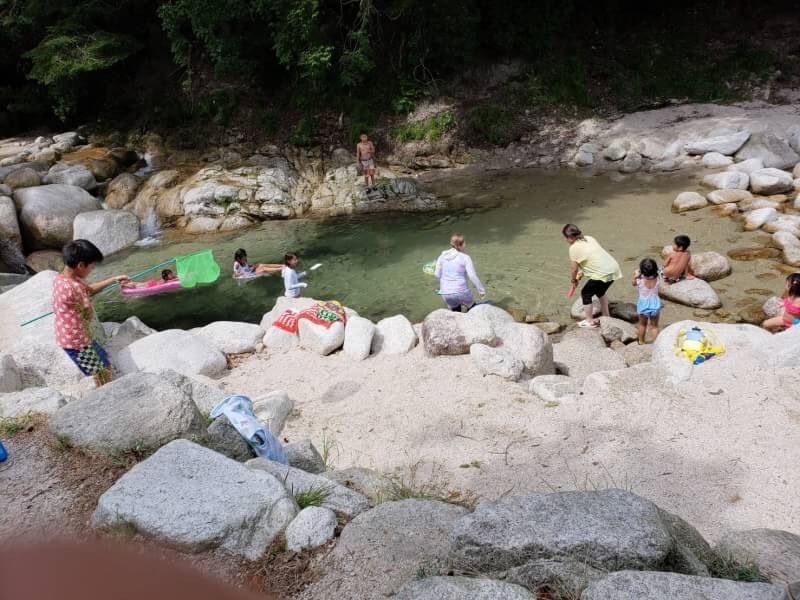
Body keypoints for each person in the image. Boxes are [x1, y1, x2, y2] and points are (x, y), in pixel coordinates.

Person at [53, 240, 129, 387]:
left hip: (70, 335)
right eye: (92, 266)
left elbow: (90, 289)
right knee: (101, 371)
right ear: (81, 265)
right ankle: (104, 392)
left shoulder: (62, 278)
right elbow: (88, 313)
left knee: (103, 362)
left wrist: (113, 279)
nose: (92, 269)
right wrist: (86, 303)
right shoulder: (75, 288)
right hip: (77, 342)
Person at [563, 224, 622, 329]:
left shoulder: (573, 248)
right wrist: (581, 273)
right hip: (613, 268)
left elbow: (574, 269)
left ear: (569, 237)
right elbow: (593, 258)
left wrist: (573, 280)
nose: (566, 240)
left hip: (602, 272)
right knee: (600, 292)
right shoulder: (589, 238)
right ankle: (606, 316)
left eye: (566, 238)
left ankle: (589, 321)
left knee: (585, 293)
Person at [434, 233, 486, 312]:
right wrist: (481, 291)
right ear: (461, 245)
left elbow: (437, 275)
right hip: (461, 292)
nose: (466, 244)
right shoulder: (465, 258)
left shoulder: (442, 256)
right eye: (465, 242)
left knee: (456, 313)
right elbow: (472, 276)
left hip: (445, 293)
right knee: (473, 310)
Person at [632, 258, 662, 344]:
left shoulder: (639, 280)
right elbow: (660, 270)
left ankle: (641, 341)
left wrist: (635, 276)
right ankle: (656, 343)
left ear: (642, 270)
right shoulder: (658, 277)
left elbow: (633, 283)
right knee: (654, 327)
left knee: (642, 325)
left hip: (643, 305)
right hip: (655, 305)